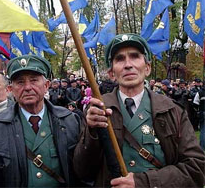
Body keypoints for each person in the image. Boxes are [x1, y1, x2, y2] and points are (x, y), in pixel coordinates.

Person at [73, 33, 205, 188]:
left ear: (147, 68)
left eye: (135, 56)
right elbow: (82, 172)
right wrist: (92, 133)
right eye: (120, 59)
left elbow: (196, 169)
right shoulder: (97, 110)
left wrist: (144, 182)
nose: (128, 64)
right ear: (111, 74)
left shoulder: (172, 110)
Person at [0, 55, 81, 187]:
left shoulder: (70, 120)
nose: (28, 87)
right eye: (20, 82)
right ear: (11, 90)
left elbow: (84, 171)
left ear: (46, 85)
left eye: (34, 80)